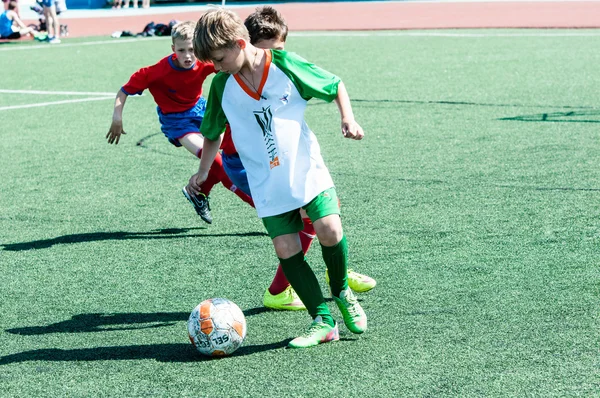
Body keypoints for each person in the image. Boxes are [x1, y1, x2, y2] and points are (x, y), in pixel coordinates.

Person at [189, 8, 368, 348]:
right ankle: (323, 321)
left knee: (330, 228)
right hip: (265, 181)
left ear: (240, 43)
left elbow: (334, 84)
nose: (215, 66)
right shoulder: (221, 85)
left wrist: (348, 118)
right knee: (286, 247)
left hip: (306, 168)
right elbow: (211, 131)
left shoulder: (284, 64)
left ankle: (342, 290)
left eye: (219, 58)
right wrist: (202, 172)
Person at [106, 20, 254, 223]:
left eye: (192, 50)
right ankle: (264, 209)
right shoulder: (156, 72)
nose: (187, 56)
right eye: (181, 50)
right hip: (177, 123)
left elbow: (230, 66)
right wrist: (117, 117)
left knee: (230, 150)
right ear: (173, 49)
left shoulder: (203, 62)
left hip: (201, 110)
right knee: (217, 163)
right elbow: (124, 91)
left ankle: (197, 192)